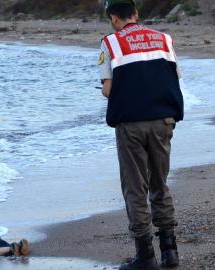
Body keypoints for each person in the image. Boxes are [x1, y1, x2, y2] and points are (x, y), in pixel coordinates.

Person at [99, 0, 184, 269]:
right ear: (136, 14)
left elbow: (109, 90)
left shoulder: (111, 43)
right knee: (160, 182)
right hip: (163, 120)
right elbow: (174, 77)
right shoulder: (164, 39)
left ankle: (146, 255)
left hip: (131, 124)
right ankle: (170, 251)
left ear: (113, 18)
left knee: (135, 187)